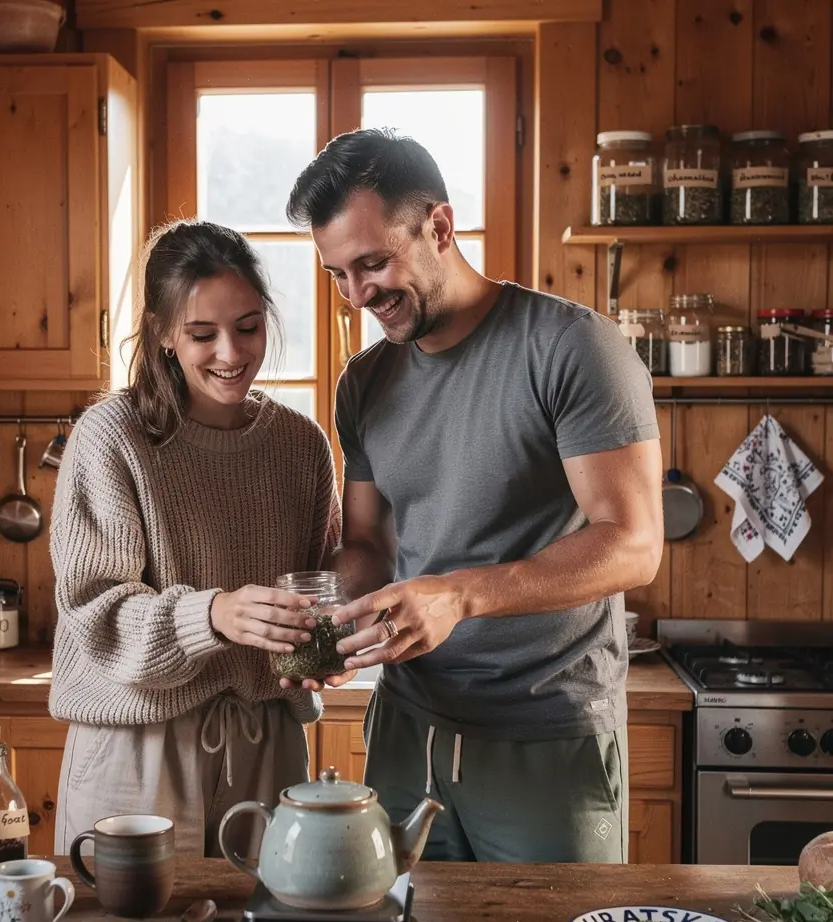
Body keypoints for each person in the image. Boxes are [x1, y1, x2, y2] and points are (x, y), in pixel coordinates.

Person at [283, 128, 664, 863]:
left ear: (440, 228)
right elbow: (370, 546)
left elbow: (634, 543)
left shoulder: (572, 349)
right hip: (405, 728)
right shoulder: (364, 382)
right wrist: (329, 616)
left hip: (546, 732)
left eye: (373, 263)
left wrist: (458, 597)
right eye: (338, 274)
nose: (359, 295)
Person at [49, 220, 341, 857]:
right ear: (161, 333)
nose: (231, 354)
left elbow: (320, 585)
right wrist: (213, 614)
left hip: (268, 744)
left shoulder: (300, 445)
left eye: (248, 327)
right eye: (202, 334)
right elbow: (94, 614)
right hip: (139, 746)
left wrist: (328, 646)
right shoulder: (111, 436)